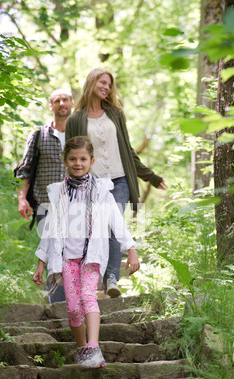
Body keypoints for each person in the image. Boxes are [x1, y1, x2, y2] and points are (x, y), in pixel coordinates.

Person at [32, 136, 140, 368]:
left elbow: (115, 221)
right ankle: (82, 348)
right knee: (72, 308)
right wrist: (41, 261)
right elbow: (49, 228)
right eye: (73, 159)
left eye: (83, 159)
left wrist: (130, 249)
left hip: (91, 257)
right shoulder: (59, 193)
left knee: (88, 297)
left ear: (91, 161)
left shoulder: (101, 192)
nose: (77, 163)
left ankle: (93, 347)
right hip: (67, 259)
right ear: (65, 161)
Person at [65, 69, 167, 298]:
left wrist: (150, 176)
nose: (106, 88)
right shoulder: (75, 119)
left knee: (112, 225)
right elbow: (70, 155)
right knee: (96, 230)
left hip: (119, 180)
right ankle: (94, 278)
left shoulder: (115, 114)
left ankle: (111, 278)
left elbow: (127, 150)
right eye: (102, 82)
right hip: (93, 184)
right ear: (91, 82)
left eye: (109, 85)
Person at [16, 88, 74, 303]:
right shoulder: (39, 134)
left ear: (72, 103)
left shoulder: (80, 135)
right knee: (52, 251)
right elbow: (25, 168)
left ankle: (74, 301)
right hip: (45, 204)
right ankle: (58, 304)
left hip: (75, 204)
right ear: (51, 106)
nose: (61, 103)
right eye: (56, 100)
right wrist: (22, 198)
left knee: (73, 252)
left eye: (65, 99)